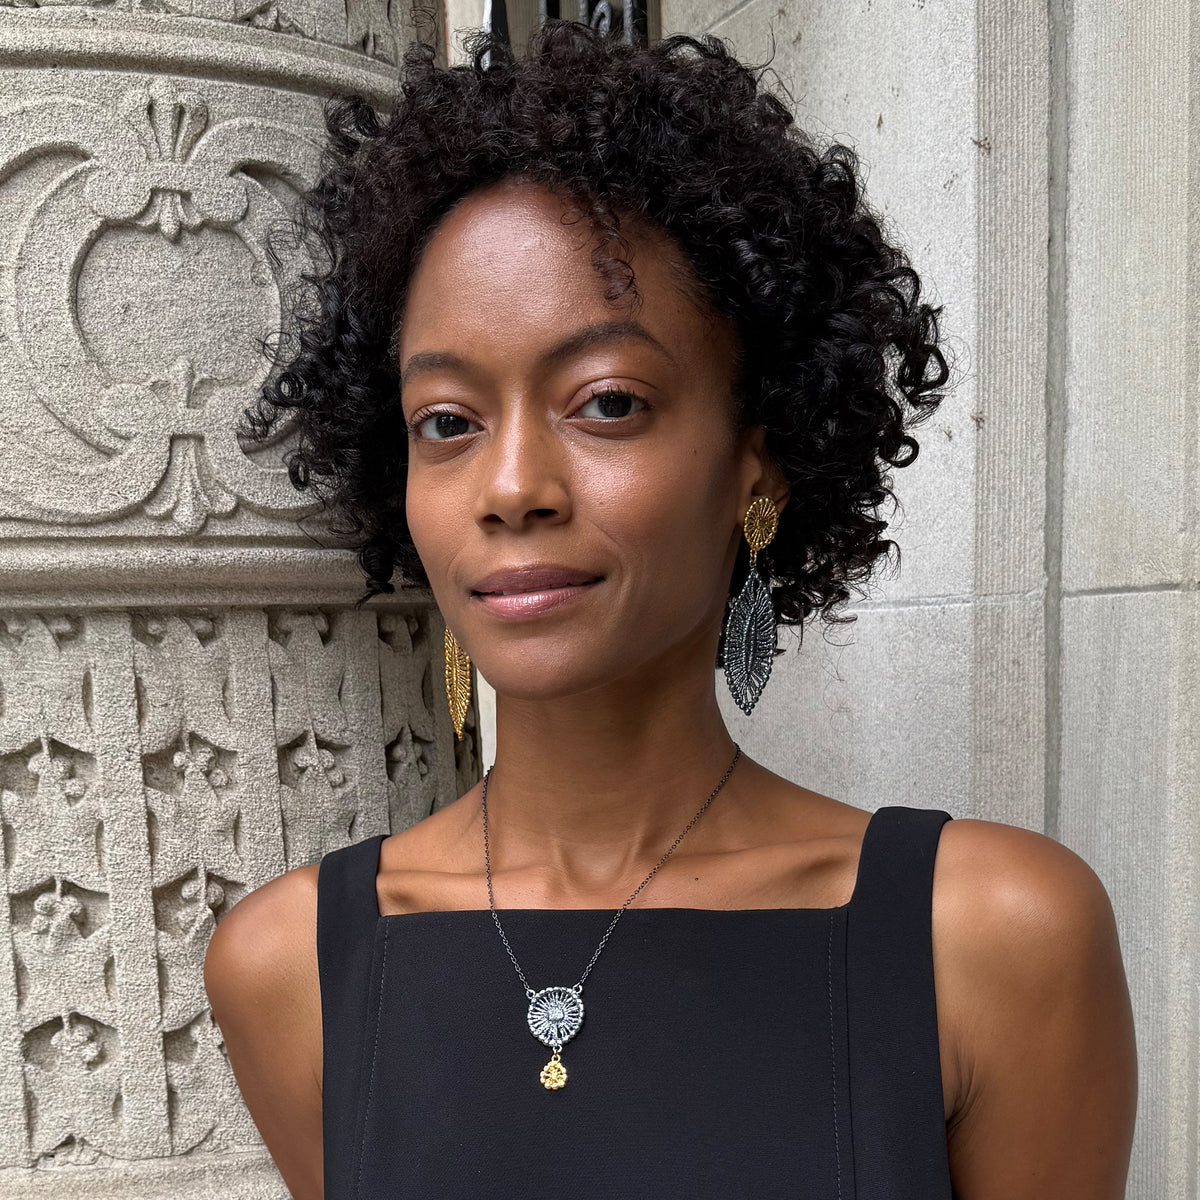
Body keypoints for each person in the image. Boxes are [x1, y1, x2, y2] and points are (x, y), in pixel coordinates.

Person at [203, 20, 1138, 1200]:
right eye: (447, 421)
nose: (510, 489)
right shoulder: (294, 967)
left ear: (762, 462)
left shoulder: (990, 939)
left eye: (606, 403)